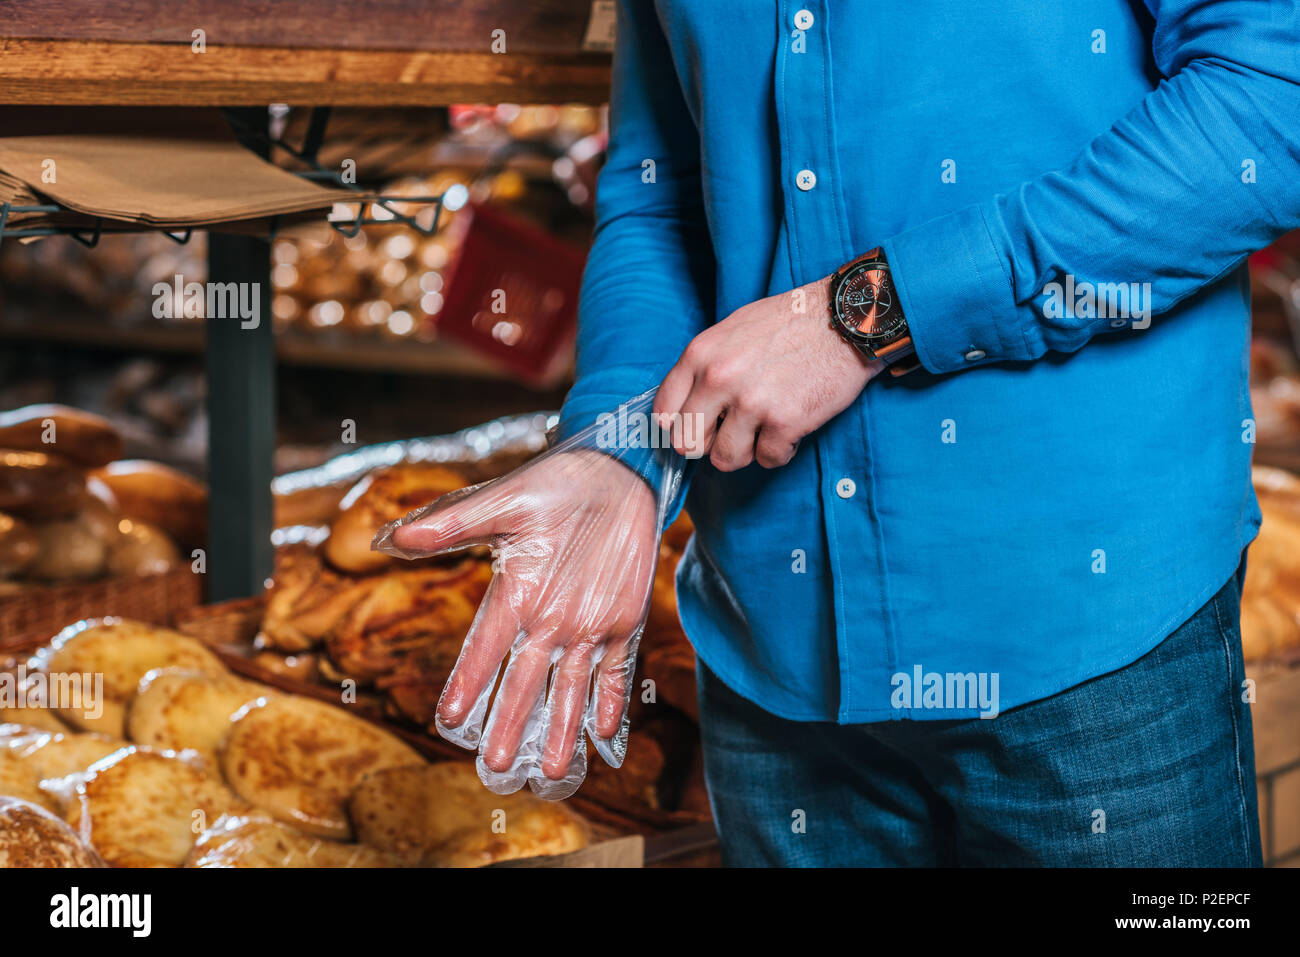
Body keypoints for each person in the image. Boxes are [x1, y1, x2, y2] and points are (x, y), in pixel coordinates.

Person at [393, 1, 1300, 865]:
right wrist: (621, 443)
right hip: (773, 658)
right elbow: (661, 190)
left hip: (1095, 643)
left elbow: (1270, 100)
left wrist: (865, 316)